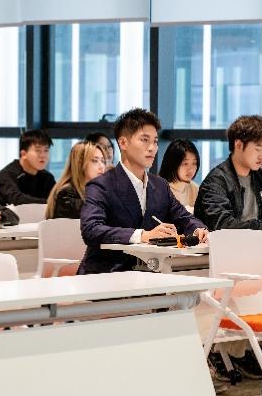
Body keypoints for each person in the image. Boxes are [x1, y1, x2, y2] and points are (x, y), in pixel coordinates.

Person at [79, 108, 207, 275]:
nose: (152, 148)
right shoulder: (101, 185)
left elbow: (184, 218)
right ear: (123, 143)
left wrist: (198, 230)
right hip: (106, 273)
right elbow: (91, 229)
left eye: (155, 141)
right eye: (144, 140)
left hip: (150, 271)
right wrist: (142, 235)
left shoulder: (160, 185)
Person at [195, 115, 262, 236]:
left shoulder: (261, 177)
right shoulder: (217, 180)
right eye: (258, 149)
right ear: (238, 144)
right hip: (223, 245)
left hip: (259, 242)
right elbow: (222, 225)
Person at [0, 129, 56, 205]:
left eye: (46, 150)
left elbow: (57, 198)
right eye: (38, 150)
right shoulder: (7, 175)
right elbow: (17, 200)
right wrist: (50, 203)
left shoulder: (47, 177)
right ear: (23, 154)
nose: (43, 155)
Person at [45, 141, 106, 219]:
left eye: (103, 161)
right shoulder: (67, 193)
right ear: (80, 163)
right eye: (95, 161)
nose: (101, 166)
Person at [158, 139, 201, 210]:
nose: (191, 169)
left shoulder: (195, 189)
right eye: (185, 163)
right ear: (173, 163)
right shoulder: (158, 189)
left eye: (194, 163)